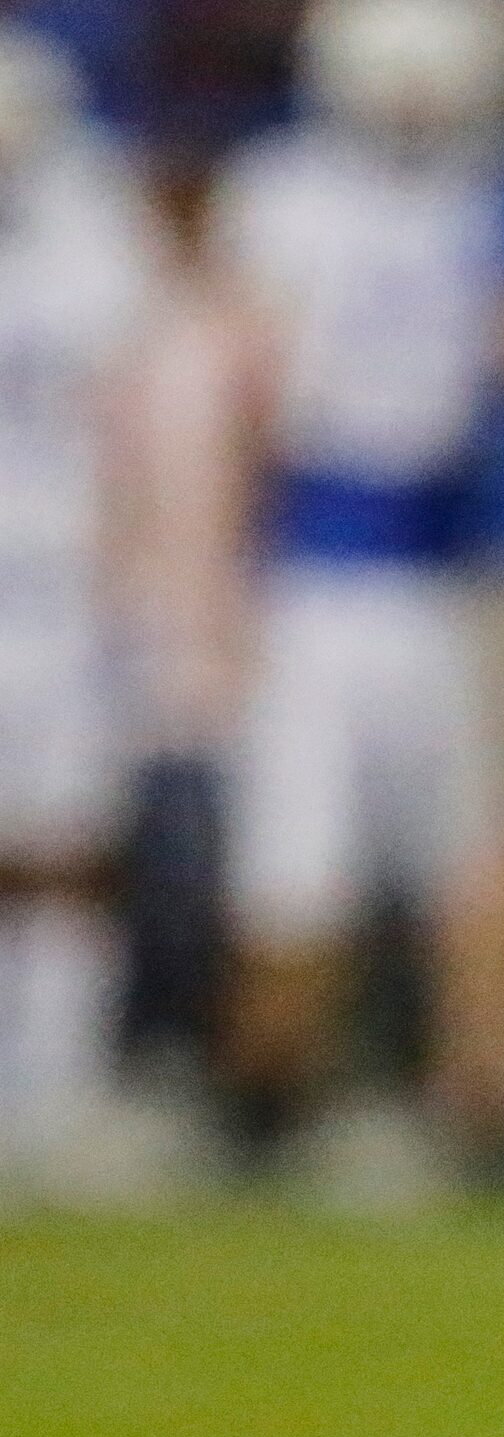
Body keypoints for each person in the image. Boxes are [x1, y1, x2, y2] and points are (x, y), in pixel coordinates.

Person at [212, 0, 504, 1192]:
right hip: (314, 561)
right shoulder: (281, 189)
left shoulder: (499, 190)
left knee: (467, 863)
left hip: (455, 563)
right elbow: (246, 393)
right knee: (295, 863)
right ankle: (273, 1109)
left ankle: (466, 1114)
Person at [0, 23, 158, 1193]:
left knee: (65, 844)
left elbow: (140, 395)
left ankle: (53, 1090)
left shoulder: (90, 213)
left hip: (58, 584)